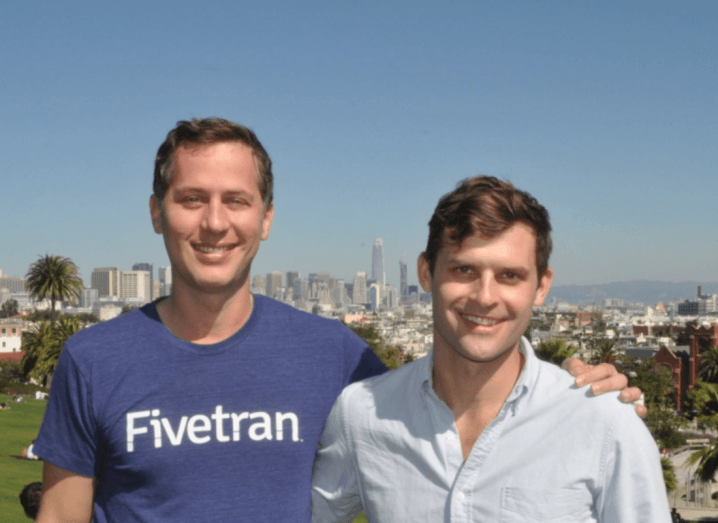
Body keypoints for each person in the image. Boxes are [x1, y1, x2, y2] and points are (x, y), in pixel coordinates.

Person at [32, 119, 638, 523]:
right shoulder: (94, 359)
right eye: (191, 199)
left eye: (236, 201)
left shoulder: (334, 355)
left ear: (266, 218)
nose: (214, 223)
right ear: (156, 213)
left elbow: (446, 391)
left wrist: (571, 392)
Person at [312, 176, 670, 522]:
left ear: (541, 286)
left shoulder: (604, 422)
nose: (485, 297)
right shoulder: (362, 416)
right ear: (426, 273)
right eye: (464, 269)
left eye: (509, 276)